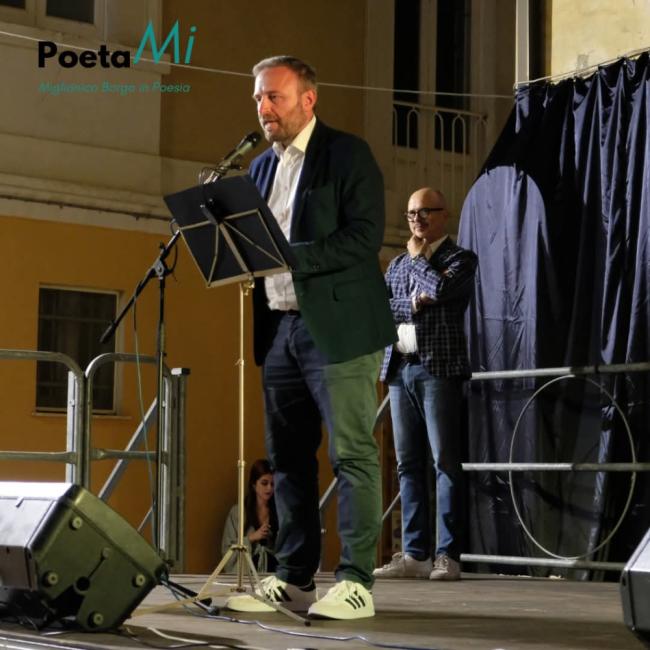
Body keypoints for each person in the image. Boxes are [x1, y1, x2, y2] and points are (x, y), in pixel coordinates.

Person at [224, 55, 396, 620]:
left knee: (352, 454)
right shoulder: (258, 170)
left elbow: (364, 236)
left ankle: (356, 583)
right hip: (279, 328)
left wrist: (292, 256)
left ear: (308, 99)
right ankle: (293, 578)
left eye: (273, 96)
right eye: (257, 98)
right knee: (288, 460)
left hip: (337, 328)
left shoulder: (346, 154)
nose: (263, 107)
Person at [373, 188, 477, 581]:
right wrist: (415, 302)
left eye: (424, 212)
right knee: (407, 464)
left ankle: (447, 555)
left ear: (444, 215)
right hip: (400, 370)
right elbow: (382, 308)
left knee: (445, 462)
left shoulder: (460, 259)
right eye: (411, 213)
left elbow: (442, 290)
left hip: (438, 370)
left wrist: (420, 262)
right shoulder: (397, 264)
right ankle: (415, 554)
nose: (416, 219)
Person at [220, 459, 278, 574]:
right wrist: (252, 538)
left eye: (272, 484)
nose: (269, 488)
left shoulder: (280, 512)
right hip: (247, 576)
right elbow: (227, 550)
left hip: (274, 575)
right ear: (254, 485)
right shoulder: (238, 513)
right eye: (264, 483)